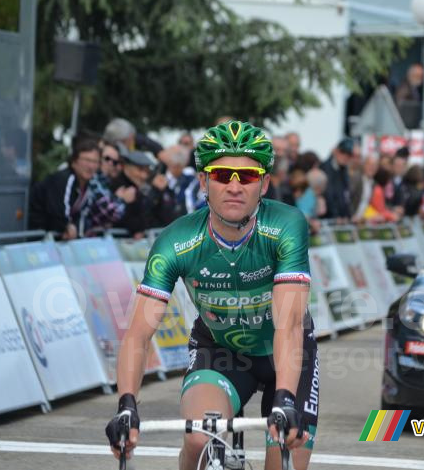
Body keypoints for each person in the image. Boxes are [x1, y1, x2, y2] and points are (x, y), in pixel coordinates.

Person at [105, 121, 318, 470]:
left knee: (284, 460)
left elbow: (289, 324)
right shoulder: (175, 241)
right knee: (199, 438)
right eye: (222, 175)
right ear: (203, 181)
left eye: (247, 177)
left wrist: (285, 397)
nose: (234, 186)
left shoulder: (286, 225)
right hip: (219, 350)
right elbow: (139, 333)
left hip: (287, 352)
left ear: (264, 184)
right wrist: (127, 403)